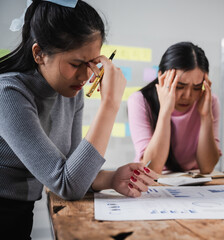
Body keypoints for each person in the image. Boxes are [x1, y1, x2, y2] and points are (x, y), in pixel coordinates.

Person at [0, 0, 157, 238]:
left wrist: (112, 178)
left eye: (92, 64)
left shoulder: (70, 93)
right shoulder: (8, 93)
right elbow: (68, 185)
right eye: (76, 64)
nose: (86, 76)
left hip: (21, 215)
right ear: (39, 53)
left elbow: (73, 170)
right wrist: (110, 104)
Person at [128, 42, 221, 174]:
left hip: (193, 182)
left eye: (196, 87)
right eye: (179, 86)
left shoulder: (209, 101)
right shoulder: (140, 101)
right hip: (153, 182)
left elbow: (207, 168)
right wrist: (165, 111)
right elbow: (151, 168)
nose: (188, 95)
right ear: (161, 77)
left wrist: (206, 117)